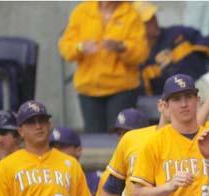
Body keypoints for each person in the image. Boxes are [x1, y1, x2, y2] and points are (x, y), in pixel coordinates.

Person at [58, 1, 148, 132]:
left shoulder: (131, 14)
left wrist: (122, 47)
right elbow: (65, 47)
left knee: (121, 138)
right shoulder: (82, 11)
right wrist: (80, 47)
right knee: (95, 141)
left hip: (122, 89)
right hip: (89, 89)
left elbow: (141, 53)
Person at [136, 2, 209, 95]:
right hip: (173, 100)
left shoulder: (178, 32)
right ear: (136, 27)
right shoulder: (139, 58)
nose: (154, 22)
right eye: (148, 21)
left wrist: (182, 52)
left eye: (154, 17)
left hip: (202, 88)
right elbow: (147, 93)